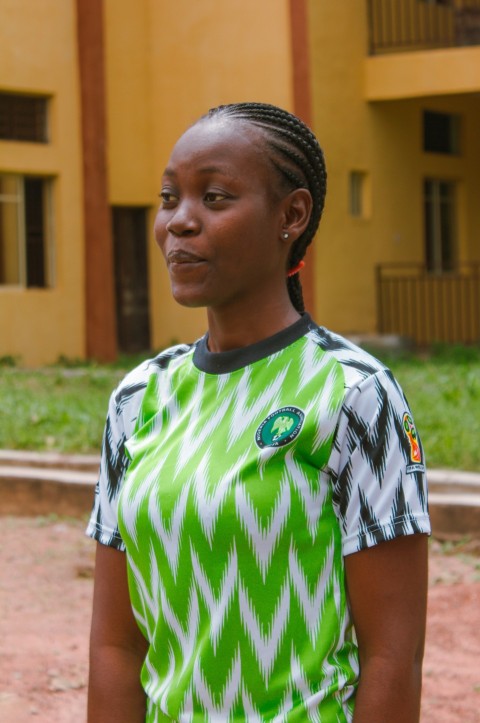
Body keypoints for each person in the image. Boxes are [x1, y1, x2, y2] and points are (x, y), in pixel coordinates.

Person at [86, 102, 430, 722]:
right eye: (169, 198)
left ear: (291, 216)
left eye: (214, 197)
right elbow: (116, 646)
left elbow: (392, 657)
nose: (179, 223)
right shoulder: (137, 401)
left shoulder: (353, 395)